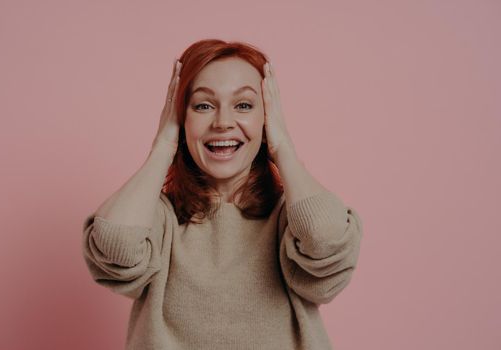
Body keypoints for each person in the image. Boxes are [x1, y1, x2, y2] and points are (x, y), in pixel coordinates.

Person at [82, 39, 363, 350]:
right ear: (181, 118)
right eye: (203, 105)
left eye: (243, 105)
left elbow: (326, 240)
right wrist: (163, 146)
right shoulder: (161, 220)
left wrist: (283, 147)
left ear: (267, 118)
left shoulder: (288, 221)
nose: (223, 123)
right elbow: (114, 244)